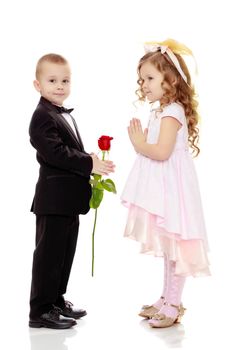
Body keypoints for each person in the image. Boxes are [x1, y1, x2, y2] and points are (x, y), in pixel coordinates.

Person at [121, 39, 210, 328]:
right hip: (166, 186)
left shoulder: (172, 113)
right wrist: (143, 143)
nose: (144, 84)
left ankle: (174, 303)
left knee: (177, 245)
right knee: (170, 246)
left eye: (150, 78)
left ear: (169, 80)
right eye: (142, 79)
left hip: (175, 190)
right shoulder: (162, 110)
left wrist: (139, 143)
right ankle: (166, 297)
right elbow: (157, 150)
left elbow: (161, 152)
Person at [29, 53, 115, 329]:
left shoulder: (59, 113)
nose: (60, 86)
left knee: (64, 255)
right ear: (37, 85)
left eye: (65, 80)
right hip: (52, 200)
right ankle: (40, 310)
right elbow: (55, 153)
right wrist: (90, 163)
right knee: (48, 256)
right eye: (52, 80)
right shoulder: (42, 116)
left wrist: (86, 156)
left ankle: (56, 301)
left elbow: (67, 151)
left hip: (67, 200)